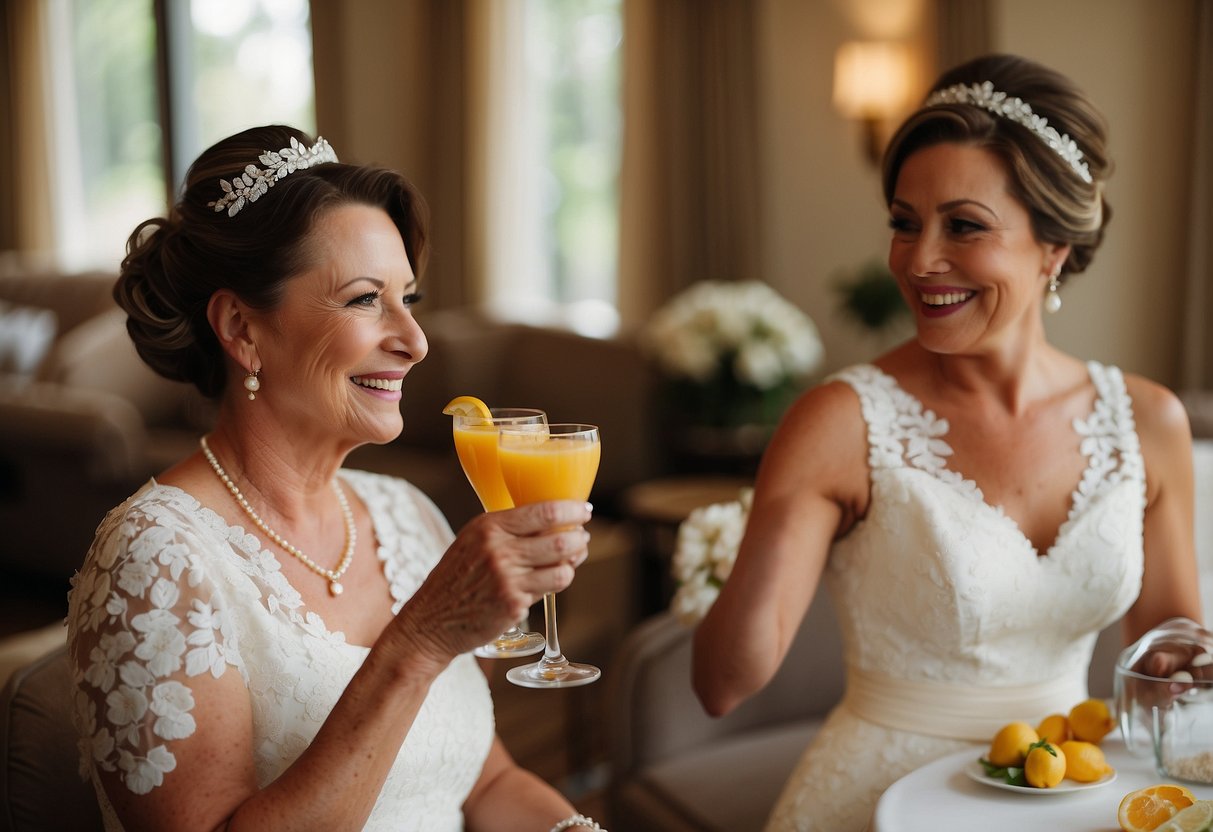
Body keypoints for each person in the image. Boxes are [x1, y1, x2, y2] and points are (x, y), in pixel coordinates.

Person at [692, 53, 1204, 831]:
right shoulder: (837, 421)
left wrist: (1189, 672)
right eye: (903, 222)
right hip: (876, 800)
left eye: (962, 226)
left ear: (1052, 249)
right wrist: (743, 542)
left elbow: (1172, 655)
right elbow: (722, 685)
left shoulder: (1147, 420)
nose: (917, 260)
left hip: (1068, 796)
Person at [65, 125, 606, 832]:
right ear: (241, 329)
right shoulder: (154, 562)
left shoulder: (406, 515)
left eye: (407, 298)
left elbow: (486, 781)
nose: (413, 341)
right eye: (362, 299)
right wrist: (418, 643)